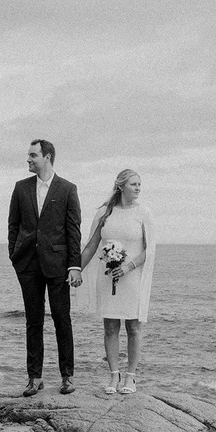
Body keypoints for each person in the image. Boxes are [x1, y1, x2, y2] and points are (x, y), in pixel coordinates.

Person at [8, 139, 83, 396]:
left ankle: (67, 377)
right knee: (33, 322)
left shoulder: (67, 189)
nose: (28, 160)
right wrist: (14, 256)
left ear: (47, 157)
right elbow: (13, 226)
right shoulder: (21, 188)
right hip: (28, 264)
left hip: (59, 265)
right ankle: (34, 377)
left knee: (62, 320)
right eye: (28, 155)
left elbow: (74, 232)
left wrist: (75, 266)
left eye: (33, 155)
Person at [79, 169, 156, 395]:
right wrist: (75, 270)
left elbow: (149, 250)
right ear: (121, 186)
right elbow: (92, 246)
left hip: (132, 276)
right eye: (134, 184)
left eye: (140, 184)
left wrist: (127, 267)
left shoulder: (144, 213)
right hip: (108, 277)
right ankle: (114, 375)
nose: (138, 188)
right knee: (110, 327)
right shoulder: (105, 212)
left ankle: (131, 377)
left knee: (134, 327)